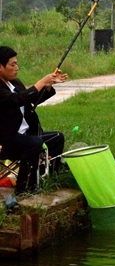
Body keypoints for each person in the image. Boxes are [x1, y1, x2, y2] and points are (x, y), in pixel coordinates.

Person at [0, 46, 67, 195]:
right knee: (34, 143)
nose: (17, 68)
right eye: (12, 64)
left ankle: (46, 178)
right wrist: (41, 82)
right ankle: (25, 188)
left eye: (17, 63)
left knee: (57, 138)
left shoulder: (15, 83)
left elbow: (30, 100)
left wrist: (48, 86)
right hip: (6, 141)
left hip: (25, 136)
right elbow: (15, 100)